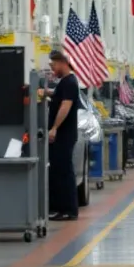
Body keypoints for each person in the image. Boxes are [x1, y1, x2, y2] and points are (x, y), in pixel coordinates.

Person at [46, 49, 81, 221]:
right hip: (62, 134)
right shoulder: (65, 83)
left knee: (64, 172)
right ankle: (61, 208)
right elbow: (60, 97)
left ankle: (68, 210)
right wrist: (47, 93)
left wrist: (54, 128)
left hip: (64, 135)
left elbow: (65, 106)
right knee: (58, 171)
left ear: (62, 63)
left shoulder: (70, 82)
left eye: (53, 66)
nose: (53, 69)